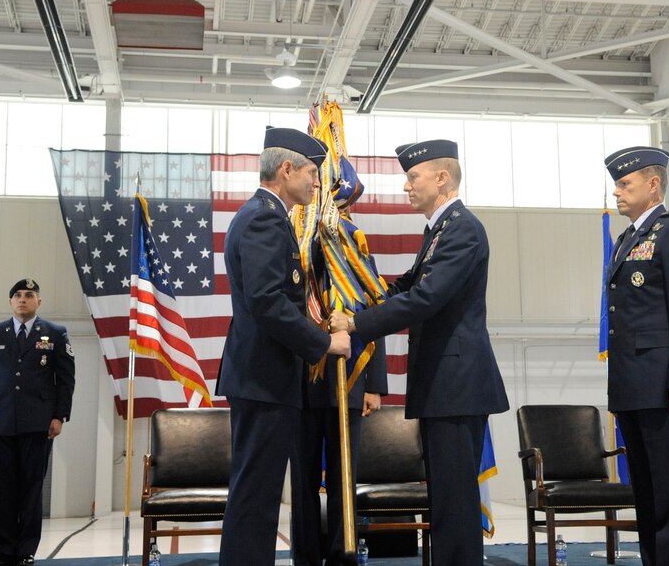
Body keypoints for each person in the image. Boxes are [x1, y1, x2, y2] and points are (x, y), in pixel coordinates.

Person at [330, 139, 509, 565]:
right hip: (442, 384)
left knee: (454, 499)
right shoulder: (439, 231)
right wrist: (356, 296)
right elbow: (403, 287)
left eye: (413, 177)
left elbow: (426, 299)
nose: (406, 186)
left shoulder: (463, 229)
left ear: (442, 178)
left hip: (457, 385)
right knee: (445, 497)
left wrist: (356, 324)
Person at [216, 126, 352, 566]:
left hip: (264, 377)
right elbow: (267, 302)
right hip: (263, 377)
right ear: (286, 169)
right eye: (312, 171)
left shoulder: (267, 215)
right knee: (256, 496)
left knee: (257, 493)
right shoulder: (264, 218)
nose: (318, 182)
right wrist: (325, 342)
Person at [603, 146, 669, 566]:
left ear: (653, 185)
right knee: (647, 494)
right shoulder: (627, 239)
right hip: (634, 386)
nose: (616, 192)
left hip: (667, 387)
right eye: (616, 184)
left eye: (625, 183)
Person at [0, 279, 76, 566]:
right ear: (10, 302)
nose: (22, 299)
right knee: (4, 487)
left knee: (31, 487)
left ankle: (26, 550)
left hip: (38, 422)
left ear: (38, 302)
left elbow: (66, 379)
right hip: (0, 420)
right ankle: (4, 551)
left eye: (29, 295)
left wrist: (59, 415)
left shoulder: (55, 333)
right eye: (17, 295)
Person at [291, 338, 388, 566]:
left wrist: (374, 385)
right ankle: (305, 560)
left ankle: (343, 559)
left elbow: (375, 316)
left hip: (349, 380)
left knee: (344, 484)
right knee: (303, 485)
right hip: (300, 384)